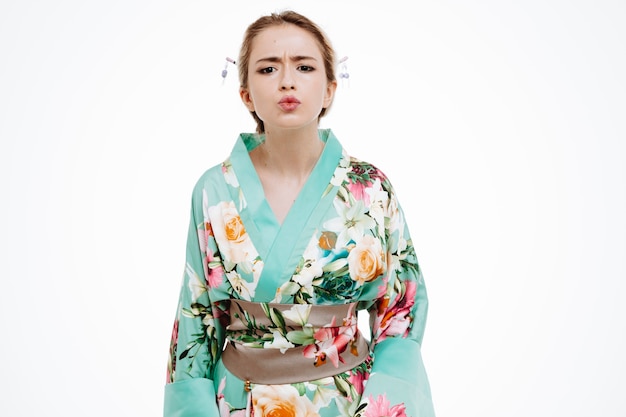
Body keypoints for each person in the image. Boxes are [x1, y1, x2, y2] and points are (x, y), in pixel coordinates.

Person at [164, 10, 435, 417]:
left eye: (304, 67)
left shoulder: (370, 187)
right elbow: (196, 317)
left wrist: (381, 405)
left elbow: (401, 308)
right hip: (241, 401)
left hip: (346, 402)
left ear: (329, 89)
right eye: (268, 68)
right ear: (247, 94)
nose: (287, 80)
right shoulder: (214, 190)